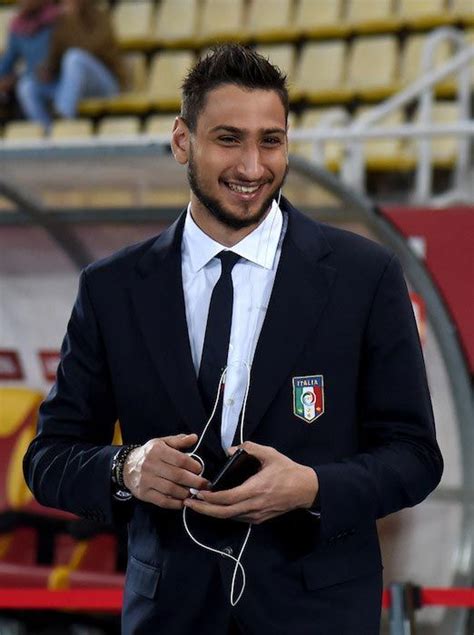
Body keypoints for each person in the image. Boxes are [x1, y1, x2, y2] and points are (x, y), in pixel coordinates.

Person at [23, 44, 443, 635]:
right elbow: (49, 458)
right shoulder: (113, 288)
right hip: (170, 616)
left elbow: (416, 457)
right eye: (228, 138)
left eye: (271, 140)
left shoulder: (364, 276)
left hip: (317, 616)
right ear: (181, 141)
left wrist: (312, 486)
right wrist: (126, 467)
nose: (252, 166)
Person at [17, 0, 124, 131]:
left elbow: (91, 49)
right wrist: (47, 69)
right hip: (72, 86)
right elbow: (55, 56)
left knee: (74, 58)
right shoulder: (61, 22)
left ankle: (64, 117)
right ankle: (48, 132)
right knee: (27, 85)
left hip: (105, 84)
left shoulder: (100, 17)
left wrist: (73, 21)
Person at [0, 0, 59, 120]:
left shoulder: (58, 20)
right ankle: (45, 132)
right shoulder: (18, 28)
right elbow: (7, 63)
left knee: (25, 85)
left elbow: (66, 55)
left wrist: (17, 77)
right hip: (36, 82)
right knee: (25, 86)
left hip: (61, 80)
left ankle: (61, 124)